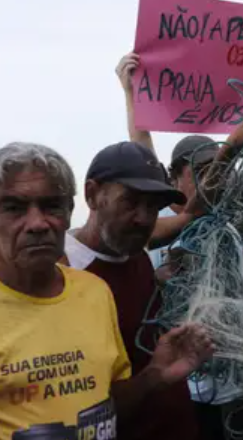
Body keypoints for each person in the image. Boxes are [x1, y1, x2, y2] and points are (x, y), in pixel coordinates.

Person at [0, 142, 214, 440]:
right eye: (14, 207)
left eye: (51, 206)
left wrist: (155, 376)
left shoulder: (95, 292)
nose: (37, 223)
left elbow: (105, 405)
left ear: (67, 212)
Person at [64, 141, 202, 439]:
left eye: (152, 206)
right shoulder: (61, 273)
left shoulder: (132, 249)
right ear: (91, 194)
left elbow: (193, 212)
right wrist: (153, 378)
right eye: (130, 201)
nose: (143, 217)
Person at [115, 53, 243, 254]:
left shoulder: (230, 218)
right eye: (200, 171)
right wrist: (130, 92)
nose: (212, 178)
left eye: (220, 171)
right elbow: (143, 151)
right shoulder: (152, 218)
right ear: (174, 180)